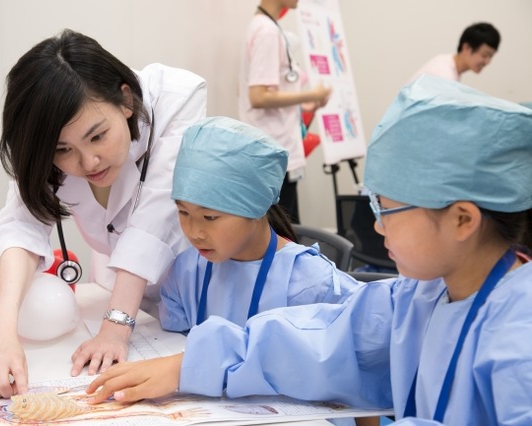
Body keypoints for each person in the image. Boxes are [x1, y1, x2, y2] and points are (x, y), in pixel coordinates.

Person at [86, 75, 532, 425]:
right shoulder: (421, 296)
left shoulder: (518, 345)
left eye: (387, 208)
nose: (377, 226)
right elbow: (317, 339)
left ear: (462, 220)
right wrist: (191, 365)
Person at [0, 29, 206, 398]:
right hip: (142, 310)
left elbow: (156, 215)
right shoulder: (46, 148)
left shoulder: (176, 98)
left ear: (126, 100)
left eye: (98, 136)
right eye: (62, 150)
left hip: (202, 295)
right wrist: (0, 332)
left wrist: (116, 326)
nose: (88, 162)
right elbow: (22, 224)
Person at [158, 116, 357, 334]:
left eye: (210, 217)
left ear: (255, 207)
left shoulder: (313, 284)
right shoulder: (185, 272)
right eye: (183, 212)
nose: (194, 232)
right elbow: (172, 342)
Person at [239, 0, 332, 224]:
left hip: (274, 153)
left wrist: (306, 106)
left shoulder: (265, 27)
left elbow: (269, 92)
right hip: (274, 155)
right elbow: (259, 96)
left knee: (287, 231)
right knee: (282, 233)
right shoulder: (267, 32)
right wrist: (310, 95)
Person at [408, 22, 500, 83]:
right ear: (467, 48)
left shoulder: (444, 60)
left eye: (491, 56)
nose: (487, 62)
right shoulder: (445, 75)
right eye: (485, 55)